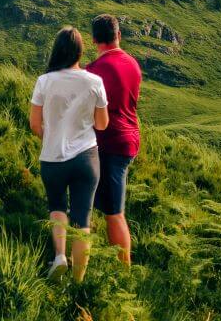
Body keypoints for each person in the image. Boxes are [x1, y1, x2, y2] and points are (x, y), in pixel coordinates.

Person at [29, 26, 109, 281]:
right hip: (86, 156)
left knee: (57, 207)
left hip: (53, 158)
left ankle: (60, 256)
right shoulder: (94, 81)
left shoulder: (45, 81)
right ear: (79, 51)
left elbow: (34, 124)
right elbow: (102, 124)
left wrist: (51, 136)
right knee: (83, 217)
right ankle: (78, 280)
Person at [85, 14, 141, 265]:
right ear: (119, 35)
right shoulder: (133, 64)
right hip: (129, 138)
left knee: (114, 213)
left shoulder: (95, 71)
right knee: (104, 203)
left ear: (95, 39)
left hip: (110, 143)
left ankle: (123, 271)